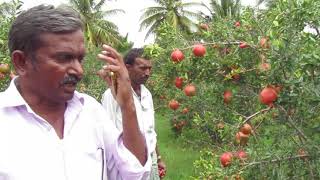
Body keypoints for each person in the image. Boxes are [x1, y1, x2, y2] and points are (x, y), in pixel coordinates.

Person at [0, 4, 151, 180]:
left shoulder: (90, 111)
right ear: (21, 62)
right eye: (64, 58)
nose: (78, 71)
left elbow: (133, 174)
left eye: (80, 59)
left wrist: (128, 106)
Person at [101, 48, 166, 180]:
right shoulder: (112, 95)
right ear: (127, 68)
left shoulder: (147, 94)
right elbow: (107, 134)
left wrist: (158, 158)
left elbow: (150, 130)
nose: (147, 73)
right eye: (142, 68)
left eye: (149, 68)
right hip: (127, 162)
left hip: (150, 158)